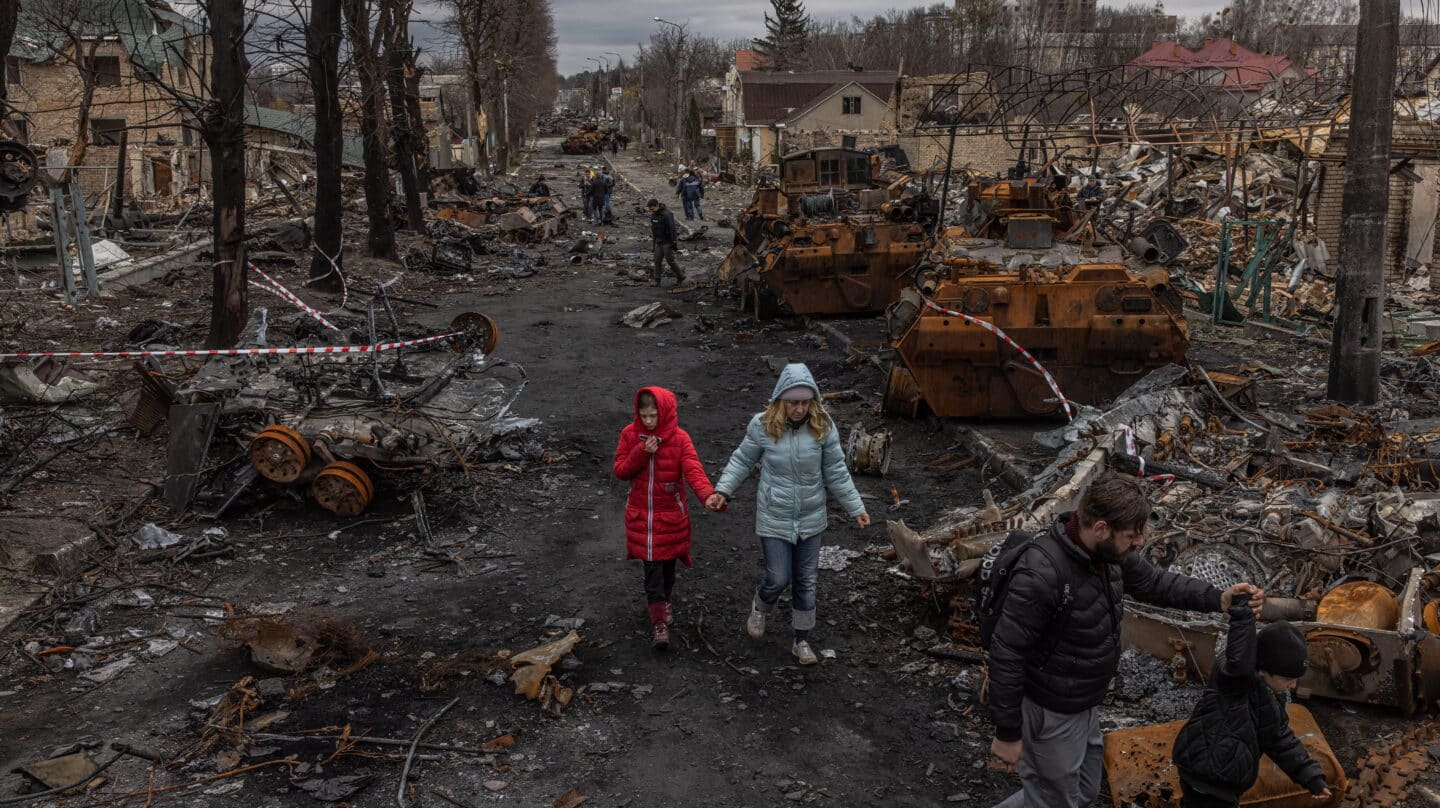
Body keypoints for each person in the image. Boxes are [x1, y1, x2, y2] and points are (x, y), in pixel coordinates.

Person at [987, 471, 1264, 808]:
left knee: (1083, 792)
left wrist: (1218, 598)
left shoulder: (1108, 556)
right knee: (1055, 800)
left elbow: (1157, 584)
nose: (1139, 541)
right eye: (1132, 535)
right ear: (1101, 527)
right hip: (1051, 711)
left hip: (1084, 703)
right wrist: (1008, 732)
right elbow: (1007, 653)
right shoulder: (1042, 573)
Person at [706, 364, 870, 666]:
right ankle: (761, 604)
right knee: (778, 577)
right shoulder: (762, 426)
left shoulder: (823, 426)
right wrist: (723, 491)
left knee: (806, 580)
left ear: (813, 401)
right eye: (793, 402)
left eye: (805, 402)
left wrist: (856, 507)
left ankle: (802, 640)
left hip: (811, 517)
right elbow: (742, 460)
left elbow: (836, 471)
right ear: (781, 399)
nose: (799, 408)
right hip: (774, 515)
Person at [1172, 611, 1332, 807]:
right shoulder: (1236, 682)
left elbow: (1279, 738)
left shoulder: (1269, 694)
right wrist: (1244, 615)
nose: (1293, 686)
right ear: (1262, 671)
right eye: (1287, 679)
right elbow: (1239, 658)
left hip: (1224, 781)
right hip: (1208, 779)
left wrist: (1310, 776)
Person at [613, 387, 716, 650]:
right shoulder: (629, 435)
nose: (648, 421)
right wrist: (641, 451)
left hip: (670, 520)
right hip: (642, 521)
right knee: (652, 572)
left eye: (653, 416)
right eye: (644, 415)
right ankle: (659, 623)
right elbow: (621, 471)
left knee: (668, 569)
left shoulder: (680, 440)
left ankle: (665, 601)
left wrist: (708, 496)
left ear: (666, 412)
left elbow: (694, 471)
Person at [646, 198, 683, 286]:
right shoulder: (654, 215)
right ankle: (657, 280)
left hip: (667, 241)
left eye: (652, 209)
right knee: (657, 260)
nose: (651, 211)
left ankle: (680, 276)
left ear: (657, 205)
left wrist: (674, 243)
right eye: (650, 209)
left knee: (670, 260)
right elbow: (654, 231)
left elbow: (672, 229)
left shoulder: (667, 215)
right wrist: (654, 244)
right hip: (659, 242)